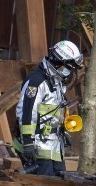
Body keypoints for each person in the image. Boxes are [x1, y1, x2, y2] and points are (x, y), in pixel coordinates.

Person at [17, 40, 83, 176]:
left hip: (55, 147)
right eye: (68, 67)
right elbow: (27, 112)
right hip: (39, 148)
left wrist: (63, 133)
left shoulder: (55, 81)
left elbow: (52, 114)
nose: (69, 71)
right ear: (58, 62)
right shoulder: (37, 82)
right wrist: (28, 143)